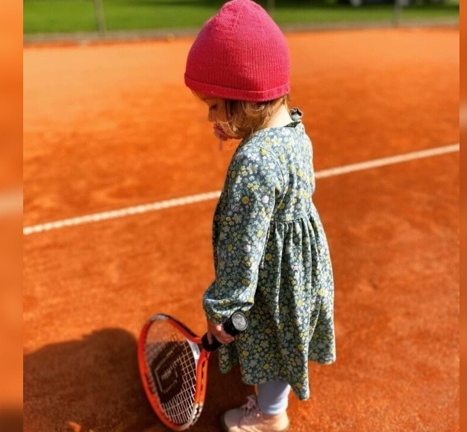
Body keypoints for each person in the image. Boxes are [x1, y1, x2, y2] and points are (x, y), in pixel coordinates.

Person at [184, 1, 336, 431]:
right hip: (302, 268)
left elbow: (242, 244)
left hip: (272, 277)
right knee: (288, 336)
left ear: (243, 98)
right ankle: (273, 405)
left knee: (269, 343)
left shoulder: (253, 162)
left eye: (215, 104)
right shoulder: (294, 130)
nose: (211, 116)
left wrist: (225, 306)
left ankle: (270, 418)